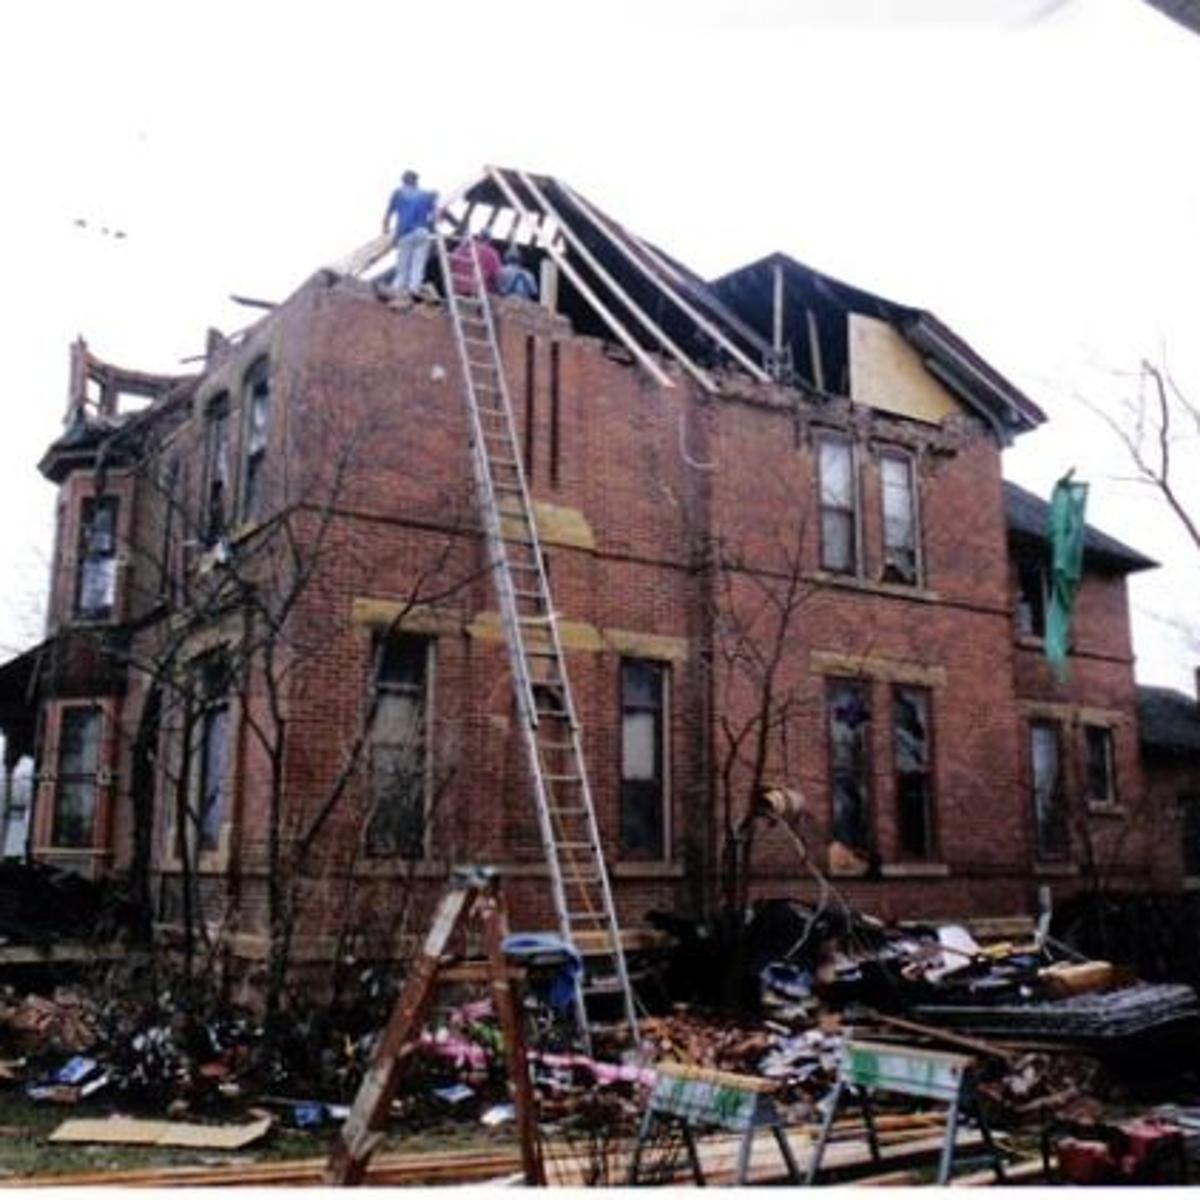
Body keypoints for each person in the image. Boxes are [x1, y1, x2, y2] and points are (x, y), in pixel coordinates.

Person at [383, 169, 438, 295]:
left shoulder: (398, 193)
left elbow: (388, 214)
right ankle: (414, 289)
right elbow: (436, 213)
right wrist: (431, 226)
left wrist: (385, 229)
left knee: (403, 266)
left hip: (405, 233)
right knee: (418, 264)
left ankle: (397, 289)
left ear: (404, 181)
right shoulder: (425, 195)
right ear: (416, 181)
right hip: (422, 232)